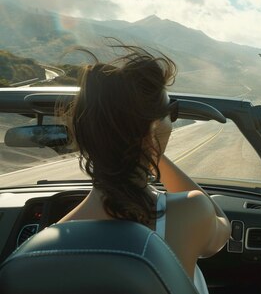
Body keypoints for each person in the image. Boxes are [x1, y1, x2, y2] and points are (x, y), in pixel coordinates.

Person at [58, 44, 231, 294]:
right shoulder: (190, 213)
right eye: (170, 112)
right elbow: (222, 227)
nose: (172, 121)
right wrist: (154, 153)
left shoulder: (48, 243)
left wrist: (144, 143)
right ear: (151, 130)